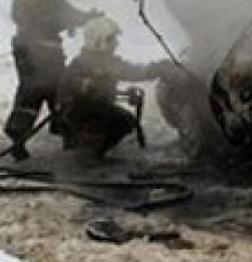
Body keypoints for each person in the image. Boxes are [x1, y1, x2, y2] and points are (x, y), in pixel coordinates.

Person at [3, 0, 98, 159]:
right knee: (61, 91)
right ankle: (69, 137)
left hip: (24, 47)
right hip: (43, 50)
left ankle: (19, 131)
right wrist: (84, 18)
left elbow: (19, 15)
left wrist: (77, 18)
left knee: (30, 92)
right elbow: (62, 13)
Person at [58, 16, 171, 158]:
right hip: (79, 117)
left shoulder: (106, 61)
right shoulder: (82, 64)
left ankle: (95, 153)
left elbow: (133, 71)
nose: (116, 44)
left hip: (95, 112)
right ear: (99, 41)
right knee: (104, 124)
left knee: (125, 121)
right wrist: (87, 84)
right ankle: (84, 155)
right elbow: (68, 87)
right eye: (112, 40)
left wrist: (159, 68)